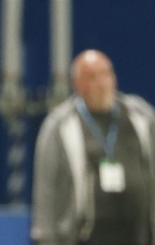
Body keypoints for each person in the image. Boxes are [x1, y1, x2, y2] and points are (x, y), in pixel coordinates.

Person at [31, 49, 155, 245]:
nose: (101, 83)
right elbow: (46, 192)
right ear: (77, 84)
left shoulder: (141, 117)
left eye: (106, 74)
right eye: (92, 77)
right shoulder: (59, 127)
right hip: (85, 238)